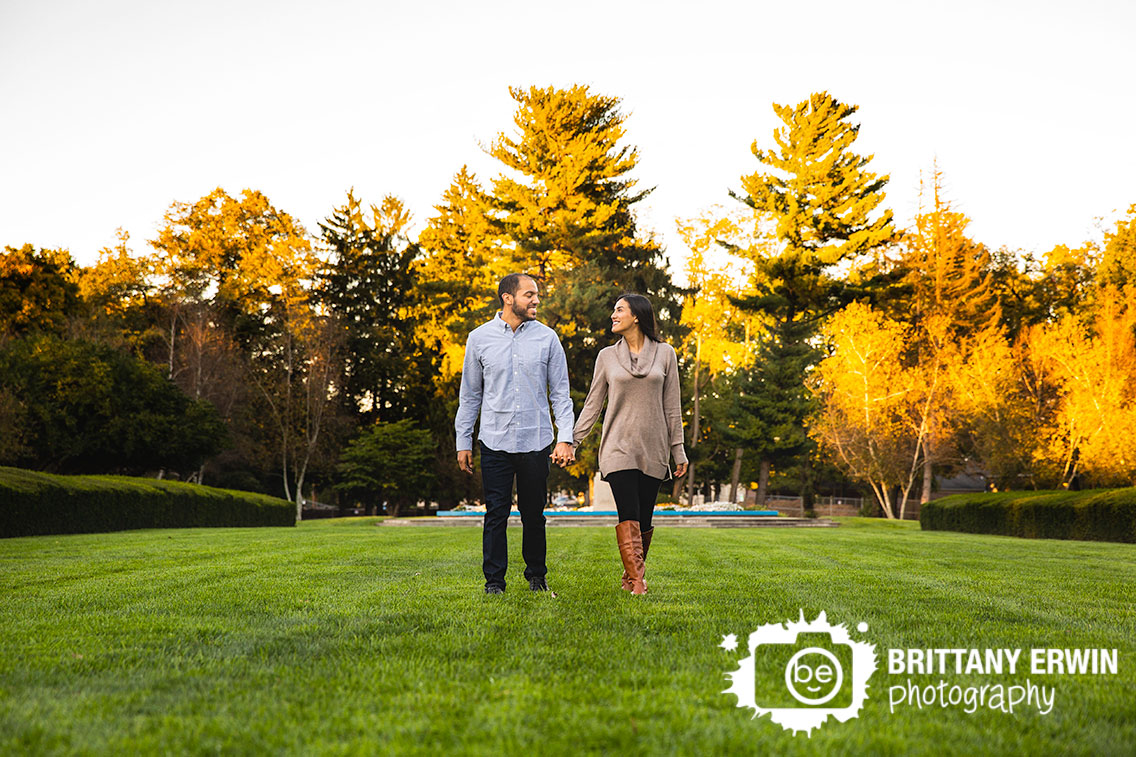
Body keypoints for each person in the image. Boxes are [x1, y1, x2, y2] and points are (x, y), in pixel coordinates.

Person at [455, 273, 576, 594]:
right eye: (529, 294)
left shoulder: (548, 338)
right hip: (494, 441)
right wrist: (462, 441)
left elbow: (561, 395)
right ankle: (494, 581)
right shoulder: (478, 338)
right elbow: (469, 396)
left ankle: (536, 575)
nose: (536, 300)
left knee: (534, 514)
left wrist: (566, 437)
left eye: (536, 295)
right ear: (508, 298)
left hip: (536, 441)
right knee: (496, 513)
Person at [571, 293, 687, 595]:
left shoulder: (665, 354)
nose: (613, 314)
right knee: (629, 513)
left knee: (645, 518)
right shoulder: (606, 357)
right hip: (617, 447)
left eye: (619, 309)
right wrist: (572, 441)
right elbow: (593, 404)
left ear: (636, 316)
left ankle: (630, 576)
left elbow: (672, 405)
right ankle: (638, 582)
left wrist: (679, 450)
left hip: (653, 448)